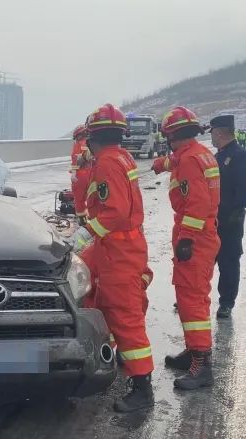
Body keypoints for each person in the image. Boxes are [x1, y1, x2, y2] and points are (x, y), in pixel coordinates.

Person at [81, 103, 154, 412]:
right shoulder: (121, 157)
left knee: (125, 315)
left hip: (117, 248)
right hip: (117, 246)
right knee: (82, 277)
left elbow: (115, 211)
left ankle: (142, 388)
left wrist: (87, 231)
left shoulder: (108, 163)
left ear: (91, 138)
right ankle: (102, 350)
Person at [152, 106, 221, 390]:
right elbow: (177, 163)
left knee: (192, 299)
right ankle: (194, 351)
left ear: (172, 135)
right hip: (203, 234)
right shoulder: (198, 153)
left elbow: (199, 203)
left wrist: (187, 238)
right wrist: (161, 164)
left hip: (195, 236)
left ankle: (201, 363)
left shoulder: (191, 159)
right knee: (191, 295)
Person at [209, 115, 246, 319]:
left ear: (219, 132)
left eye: (212, 133)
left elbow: (245, 189)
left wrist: (237, 212)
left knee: (228, 262)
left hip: (229, 220)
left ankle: (226, 302)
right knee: (206, 259)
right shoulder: (218, 156)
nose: (211, 137)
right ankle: (197, 296)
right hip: (213, 219)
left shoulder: (239, 155)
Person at [69, 124, 92, 225]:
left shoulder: (78, 145)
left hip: (81, 176)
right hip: (92, 175)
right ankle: (94, 218)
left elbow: (75, 160)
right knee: (93, 198)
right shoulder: (93, 144)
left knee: (79, 200)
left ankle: (83, 222)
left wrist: (73, 174)